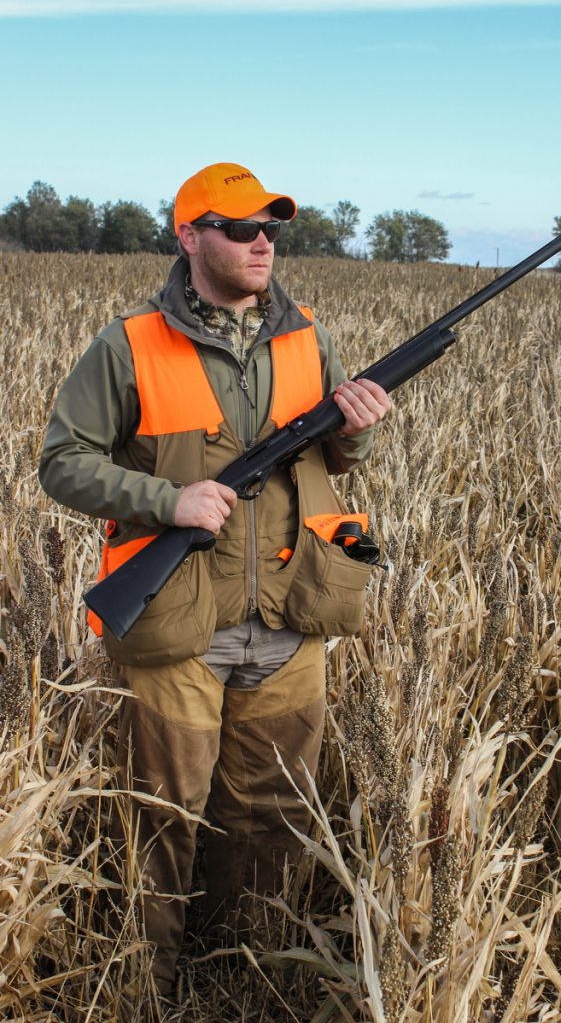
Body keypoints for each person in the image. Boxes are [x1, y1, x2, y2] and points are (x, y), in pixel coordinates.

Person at [39, 161, 391, 995]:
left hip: (292, 609)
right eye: (240, 229)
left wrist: (360, 435)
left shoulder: (308, 332)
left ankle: (244, 978)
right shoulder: (129, 344)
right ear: (190, 235)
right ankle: (146, 988)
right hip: (178, 619)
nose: (262, 242)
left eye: (271, 229)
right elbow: (61, 463)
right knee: (160, 821)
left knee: (270, 820)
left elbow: (331, 456)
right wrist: (168, 499)